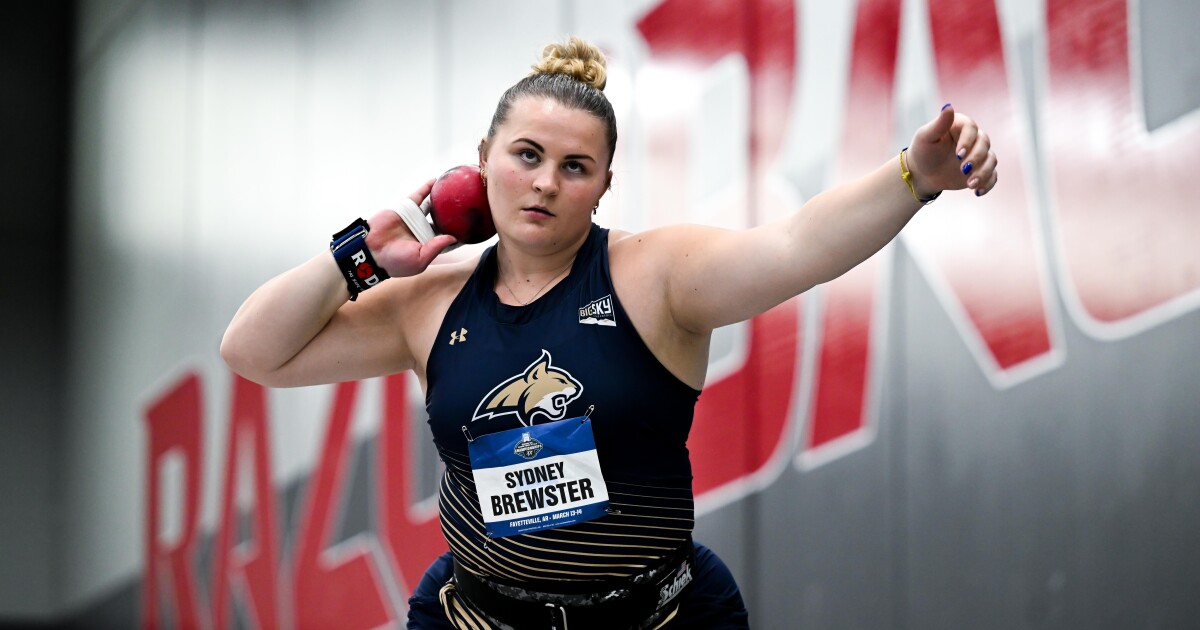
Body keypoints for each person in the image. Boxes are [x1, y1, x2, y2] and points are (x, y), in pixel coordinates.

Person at [222, 36, 996, 630]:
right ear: (482, 162)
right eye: (526, 156)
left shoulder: (655, 276)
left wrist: (914, 175)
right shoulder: (427, 301)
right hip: (474, 616)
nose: (545, 183)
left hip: (661, 617)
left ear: (605, 184)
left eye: (575, 166)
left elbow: (797, 246)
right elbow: (254, 351)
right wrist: (362, 254)